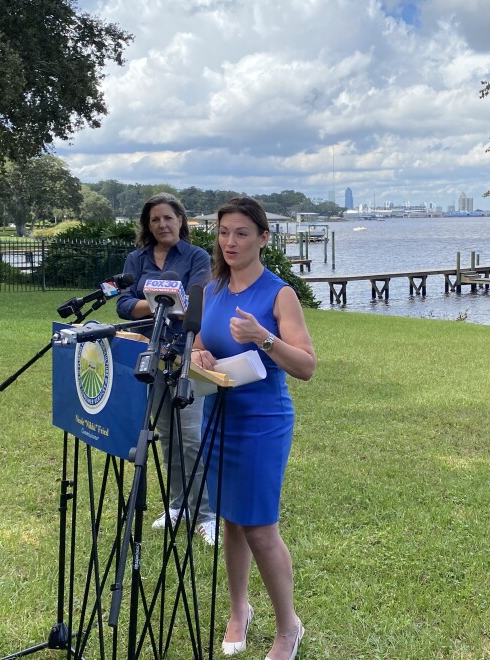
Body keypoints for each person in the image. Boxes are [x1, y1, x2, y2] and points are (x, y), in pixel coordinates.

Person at [192, 196, 315, 659]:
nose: (230, 241)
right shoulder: (212, 289)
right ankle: (239, 609)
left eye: (241, 232)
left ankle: (289, 627)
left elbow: (306, 366)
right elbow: (202, 343)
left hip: (262, 422)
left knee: (261, 528)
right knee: (231, 521)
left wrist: (263, 338)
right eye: (224, 232)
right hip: (218, 417)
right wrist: (199, 355)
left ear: (264, 238)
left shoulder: (279, 293)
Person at [115, 193, 218, 544]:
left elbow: (196, 299)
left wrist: (168, 304)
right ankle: (178, 506)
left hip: (187, 351)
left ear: (181, 221)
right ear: (148, 224)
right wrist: (157, 304)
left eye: (168, 218)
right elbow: (123, 304)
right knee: (167, 435)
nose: (162, 225)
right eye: (155, 219)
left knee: (190, 435)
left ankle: (206, 513)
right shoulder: (136, 259)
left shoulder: (196, 256)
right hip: (149, 353)